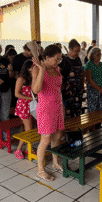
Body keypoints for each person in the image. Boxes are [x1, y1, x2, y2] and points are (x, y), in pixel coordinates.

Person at [32, 45, 65, 181]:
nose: (58, 62)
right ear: (46, 57)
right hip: (45, 109)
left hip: (58, 107)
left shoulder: (56, 69)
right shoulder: (37, 68)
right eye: (55, 59)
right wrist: (41, 69)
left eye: (59, 59)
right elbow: (36, 90)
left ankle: (55, 161)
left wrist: (62, 106)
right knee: (45, 139)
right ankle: (40, 169)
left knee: (57, 136)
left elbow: (58, 88)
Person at [13, 60, 37, 159]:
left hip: (32, 105)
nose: (35, 68)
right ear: (28, 68)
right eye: (33, 66)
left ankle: (28, 148)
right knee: (28, 129)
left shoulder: (33, 78)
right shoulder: (21, 79)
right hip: (23, 106)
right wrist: (30, 98)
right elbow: (16, 94)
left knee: (31, 128)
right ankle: (18, 149)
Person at [61, 40, 86, 118]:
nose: (78, 53)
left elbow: (81, 74)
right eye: (76, 51)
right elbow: (59, 76)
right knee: (68, 114)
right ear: (70, 49)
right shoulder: (63, 59)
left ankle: (78, 130)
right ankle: (69, 130)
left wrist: (82, 86)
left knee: (77, 113)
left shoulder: (78, 59)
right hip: (67, 93)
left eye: (79, 51)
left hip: (78, 92)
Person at [85, 47, 102, 112]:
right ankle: (93, 122)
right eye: (97, 55)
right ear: (92, 55)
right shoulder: (89, 64)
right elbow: (89, 79)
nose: (99, 57)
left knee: (100, 109)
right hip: (93, 90)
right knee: (93, 110)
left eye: (100, 55)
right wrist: (99, 89)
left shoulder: (101, 64)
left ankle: (100, 122)